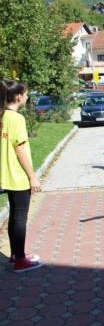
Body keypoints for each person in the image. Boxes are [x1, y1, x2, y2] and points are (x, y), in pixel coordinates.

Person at [0, 80, 43, 273]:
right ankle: (20, 260)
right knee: (19, 218)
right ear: (18, 96)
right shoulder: (16, 118)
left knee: (14, 217)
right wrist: (32, 176)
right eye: (25, 94)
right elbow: (20, 150)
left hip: (6, 174)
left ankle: (15, 254)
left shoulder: (3, 115)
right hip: (17, 175)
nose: (27, 97)